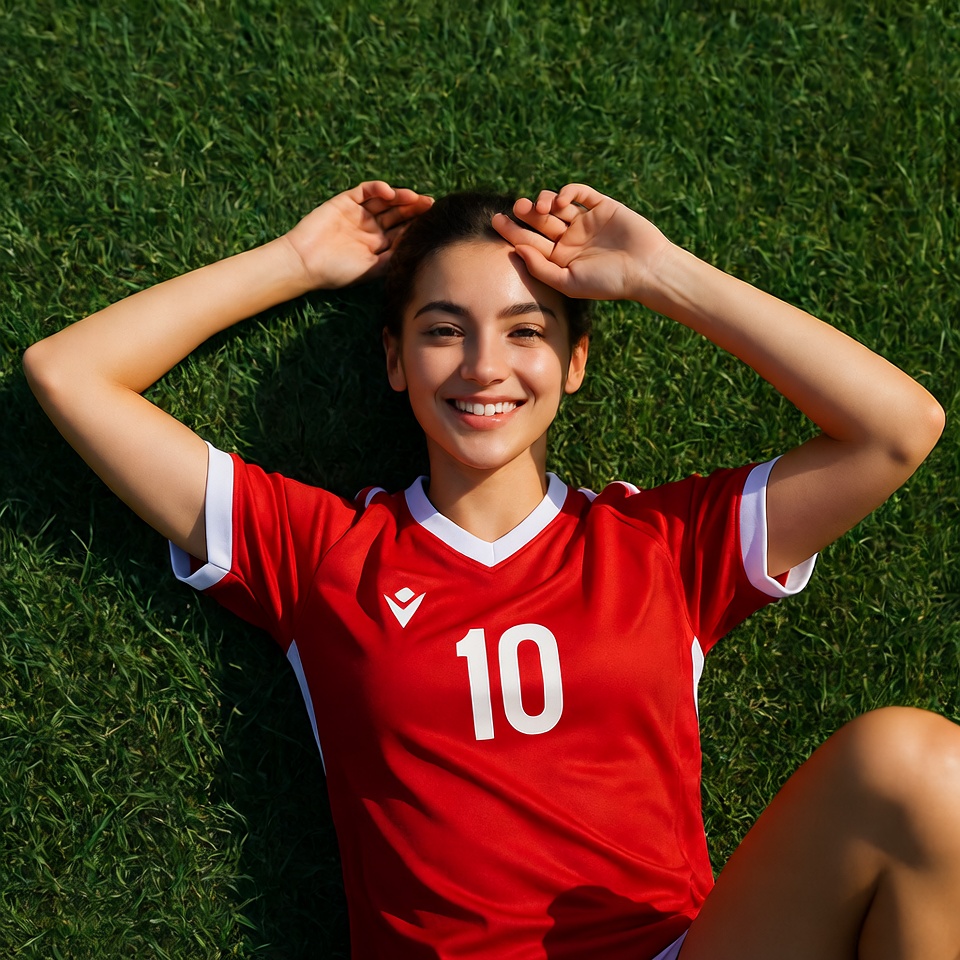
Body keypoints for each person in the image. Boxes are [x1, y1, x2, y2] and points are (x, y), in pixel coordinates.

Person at [23, 179, 960, 960]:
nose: (483, 366)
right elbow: (70, 373)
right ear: (393, 359)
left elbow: (897, 429)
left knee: (919, 765)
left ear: (575, 360)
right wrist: (297, 262)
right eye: (441, 330)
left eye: (525, 330)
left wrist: (663, 274)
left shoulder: (662, 549)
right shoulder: (319, 554)